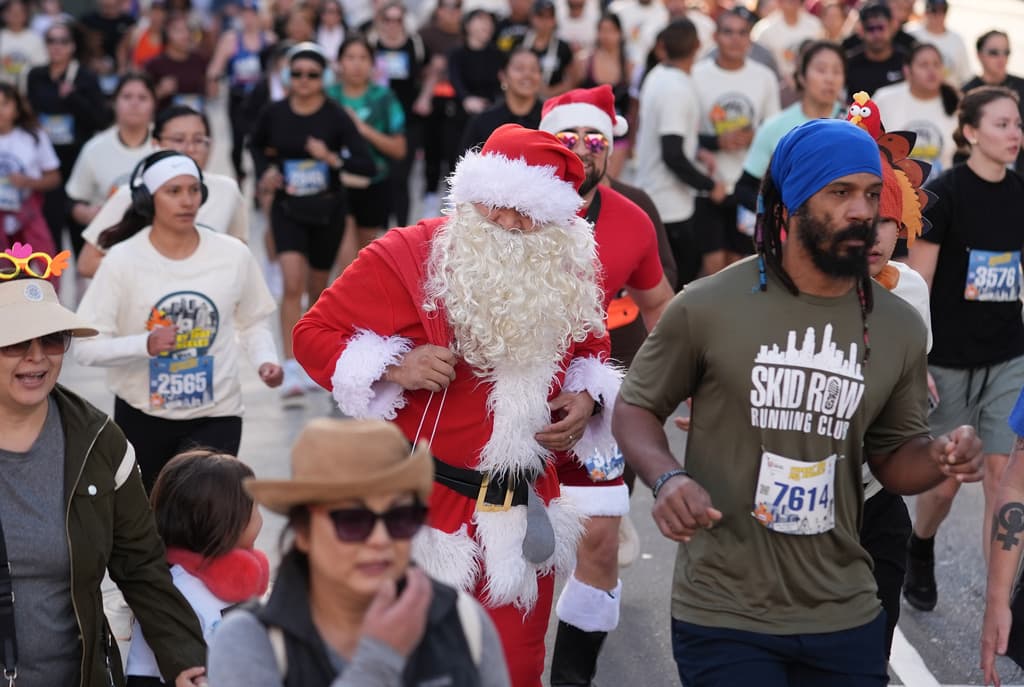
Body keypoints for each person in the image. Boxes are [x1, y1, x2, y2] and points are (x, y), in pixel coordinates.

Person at [612, 117, 984, 685]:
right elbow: (636, 406)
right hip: (725, 609)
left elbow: (892, 456)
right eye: (840, 193)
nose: (861, 210)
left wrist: (938, 458)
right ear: (789, 203)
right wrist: (667, 479)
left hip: (844, 607)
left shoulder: (900, 326)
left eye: (869, 194)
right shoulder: (709, 305)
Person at [292, 124, 620, 687]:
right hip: (426, 510)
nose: (511, 225)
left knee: (515, 671)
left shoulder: (566, 267)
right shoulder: (408, 255)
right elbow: (313, 334)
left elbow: (592, 347)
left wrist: (587, 398)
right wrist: (398, 365)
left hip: (523, 513)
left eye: (529, 214)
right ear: (472, 198)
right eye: (498, 207)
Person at [0, 247, 207, 686]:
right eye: (17, 342)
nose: (37, 357)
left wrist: (184, 659)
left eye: (53, 339)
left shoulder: (98, 441)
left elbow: (141, 565)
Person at [538, 84, 674, 687]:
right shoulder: (506, 210)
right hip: (503, 399)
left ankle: (571, 678)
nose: (583, 151)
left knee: (599, 542)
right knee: (504, 546)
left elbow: (661, 308)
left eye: (595, 140)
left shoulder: (632, 220)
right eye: (568, 139)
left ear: (611, 148)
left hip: (594, 397)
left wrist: (688, 384)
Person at [208, 418, 510, 687]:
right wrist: (379, 662)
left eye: (400, 518)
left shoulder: (462, 620)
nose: (380, 540)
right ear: (303, 532)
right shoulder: (250, 642)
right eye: (352, 521)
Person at [74, 150, 283, 491]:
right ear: (148, 199)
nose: (187, 201)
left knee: (209, 523)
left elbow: (253, 321)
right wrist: (145, 344)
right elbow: (85, 348)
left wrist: (266, 361)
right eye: (173, 192)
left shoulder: (232, 254)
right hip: (142, 414)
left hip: (218, 412)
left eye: (194, 190)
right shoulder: (122, 261)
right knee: (152, 528)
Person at [904, 86, 1024, 614]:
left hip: (1007, 357)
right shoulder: (944, 195)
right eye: (1001, 124)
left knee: (1003, 474)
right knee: (947, 483)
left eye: (1017, 124)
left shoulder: (1022, 193)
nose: (1014, 134)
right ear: (970, 132)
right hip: (948, 359)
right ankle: (920, 545)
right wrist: (915, 360)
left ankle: (1001, 603)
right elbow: (918, 284)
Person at [847, 92, 935, 656]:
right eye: (862, 218)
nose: (876, 235)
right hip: (790, 499)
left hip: (876, 493)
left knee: (868, 655)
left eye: (887, 218)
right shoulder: (774, 289)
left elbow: (909, 387)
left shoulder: (911, 291)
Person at [249, 42, 375, 399]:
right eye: (296, 74)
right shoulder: (274, 113)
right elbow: (254, 145)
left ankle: (309, 359)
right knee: (292, 282)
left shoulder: (336, 115)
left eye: (312, 75)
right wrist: (267, 171)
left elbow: (365, 164)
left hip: (327, 210)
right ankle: (289, 366)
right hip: (288, 208)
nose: (303, 81)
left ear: (323, 78)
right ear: (287, 76)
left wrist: (332, 158)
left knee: (318, 289)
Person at [125, 450, 270, 687]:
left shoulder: (241, 582)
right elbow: (141, 678)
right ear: (226, 523)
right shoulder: (173, 594)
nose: (261, 520)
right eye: (255, 509)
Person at [77, 105, 249, 278]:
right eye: (178, 140)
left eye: (198, 140)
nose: (190, 149)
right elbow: (87, 264)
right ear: (155, 144)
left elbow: (240, 257)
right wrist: (152, 269)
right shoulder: (130, 194)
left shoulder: (227, 190)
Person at [635, 19, 725, 290]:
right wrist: (710, 186)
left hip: (657, 198)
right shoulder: (676, 89)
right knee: (672, 289)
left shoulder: (657, 75)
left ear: (662, 47)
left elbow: (669, 135)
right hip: (669, 206)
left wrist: (698, 148)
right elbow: (672, 154)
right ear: (698, 46)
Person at [692, 6, 780, 275]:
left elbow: (773, 128)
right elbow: (686, 133)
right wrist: (716, 141)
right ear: (716, 37)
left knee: (740, 266)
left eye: (742, 33)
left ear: (750, 38)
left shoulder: (764, 77)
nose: (735, 39)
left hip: (747, 185)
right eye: (728, 32)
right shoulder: (696, 75)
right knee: (712, 267)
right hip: (709, 185)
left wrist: (754, 136)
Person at [26, 20, 111, 259]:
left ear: (73, 46)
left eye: (63, 41)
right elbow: (29, 113)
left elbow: (101, 120)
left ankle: (83, 287)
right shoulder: (36, 76)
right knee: (48, 231)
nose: (57, 46)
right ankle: (52, 288)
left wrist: (73, 98)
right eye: (51, 40)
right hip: (45, 165)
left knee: (79, 231)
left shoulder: (85, 77)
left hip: (78, 161)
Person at [735, 40, 845, 213]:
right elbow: (744, 189)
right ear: (801, 76)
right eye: (821, 70)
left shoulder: (854, 125)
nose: (829, 79)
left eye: (837, 71)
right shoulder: (775, 127)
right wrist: (778, 216)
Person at [328, 36, 407, 253]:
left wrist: (362, 130)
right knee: (345, 259)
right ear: (339, 62)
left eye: (363, 58)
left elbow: (399, 149)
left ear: (372, 64)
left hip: (374, 183)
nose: (356, 64)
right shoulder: (328, 97)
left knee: (363, 257)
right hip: (335, 185)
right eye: (350, 57)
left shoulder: (383, 98)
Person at [65, 73, 155, 232]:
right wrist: (86, 214)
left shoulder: (167, 144)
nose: (134, 103)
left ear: (154, 104)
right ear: (114, 102)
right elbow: (74, 200)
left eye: (142, 98)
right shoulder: (94, 148)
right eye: (127, 97)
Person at [206, 0, 276, 183]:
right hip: (239, 98)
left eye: (252, 14)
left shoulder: (268, 39)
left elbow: (277, 70)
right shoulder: (231, 39)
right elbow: (216, 66)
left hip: (261, 100)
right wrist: (213, 80)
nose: (249, 19)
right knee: (237, 141)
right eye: (244, 14)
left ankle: (261, 179)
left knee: (262, 140)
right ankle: (239, 173)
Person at [873, 43, 959, 179]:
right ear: (907, 71)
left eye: (936, 64)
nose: (931, 70)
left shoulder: (956, 103)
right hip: (891, 186)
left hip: (942, 190)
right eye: (924, 65)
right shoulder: (884, 99)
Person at [0, 82, 62, 259]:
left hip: (28, 215)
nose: (0, 110)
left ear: (17, 109)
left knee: (44, 266)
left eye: (5, 104)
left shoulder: (33, 136)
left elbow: (54, 177)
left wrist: (28, 182)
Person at [575, 13, 633, 179]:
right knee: (589, 181)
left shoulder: (629, 66)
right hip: (588, 133)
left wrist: (633, 142)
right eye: (602, 30)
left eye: (611, 31)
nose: (606, 36)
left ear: (620, 34)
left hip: (619, 132)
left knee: (610, 183)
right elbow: (571, 94)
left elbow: (634, 107)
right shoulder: (584, 62)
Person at [460, 46, 543, 154]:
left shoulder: (552, 121)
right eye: (519, 68)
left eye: (534, 69)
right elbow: (463, 167)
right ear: (503, 76)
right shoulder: (482, 122)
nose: (527, 75)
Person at [963, 31, 1024, 173]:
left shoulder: (1021, 87)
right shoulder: (966, 92)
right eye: (994, 52)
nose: (1001, 58)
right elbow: (961, 142)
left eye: (1006, 52)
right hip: (980, 173)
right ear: (979, 55)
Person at [750, 0, 822, 93]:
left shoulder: (815, 25)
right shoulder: (764, 29)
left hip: (810, 85)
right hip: (777, 87)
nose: (793, 3)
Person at [144, 13, 210, 113]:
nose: (186, 35)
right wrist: (160, 91)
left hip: (197, 120)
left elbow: (210, 93)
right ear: (166, 33)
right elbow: (143, 99)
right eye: (179, 31)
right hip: (167, 121)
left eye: (188, 30)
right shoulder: (154, 64)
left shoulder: (200, 60)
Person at [843, 1, 908, 98]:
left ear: (892, 27)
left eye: (881, 27)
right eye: (870, 28)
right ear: (861, 30)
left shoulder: (907, 61)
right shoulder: (848, 64)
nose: (877, 35)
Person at [906, 0, 970, 88]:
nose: (938, 15)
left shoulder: (957, 40)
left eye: (942, 11)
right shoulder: (911, 34)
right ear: (926, 12)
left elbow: (965, 74)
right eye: (934, 11)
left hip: (948, 94)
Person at [0, 0, 47, 89]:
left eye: (20, 11)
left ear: (26, 15)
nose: (16, 15)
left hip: (30, 90)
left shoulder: (36, 39)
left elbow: (41, 67)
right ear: (4, 14)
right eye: (11, 11)